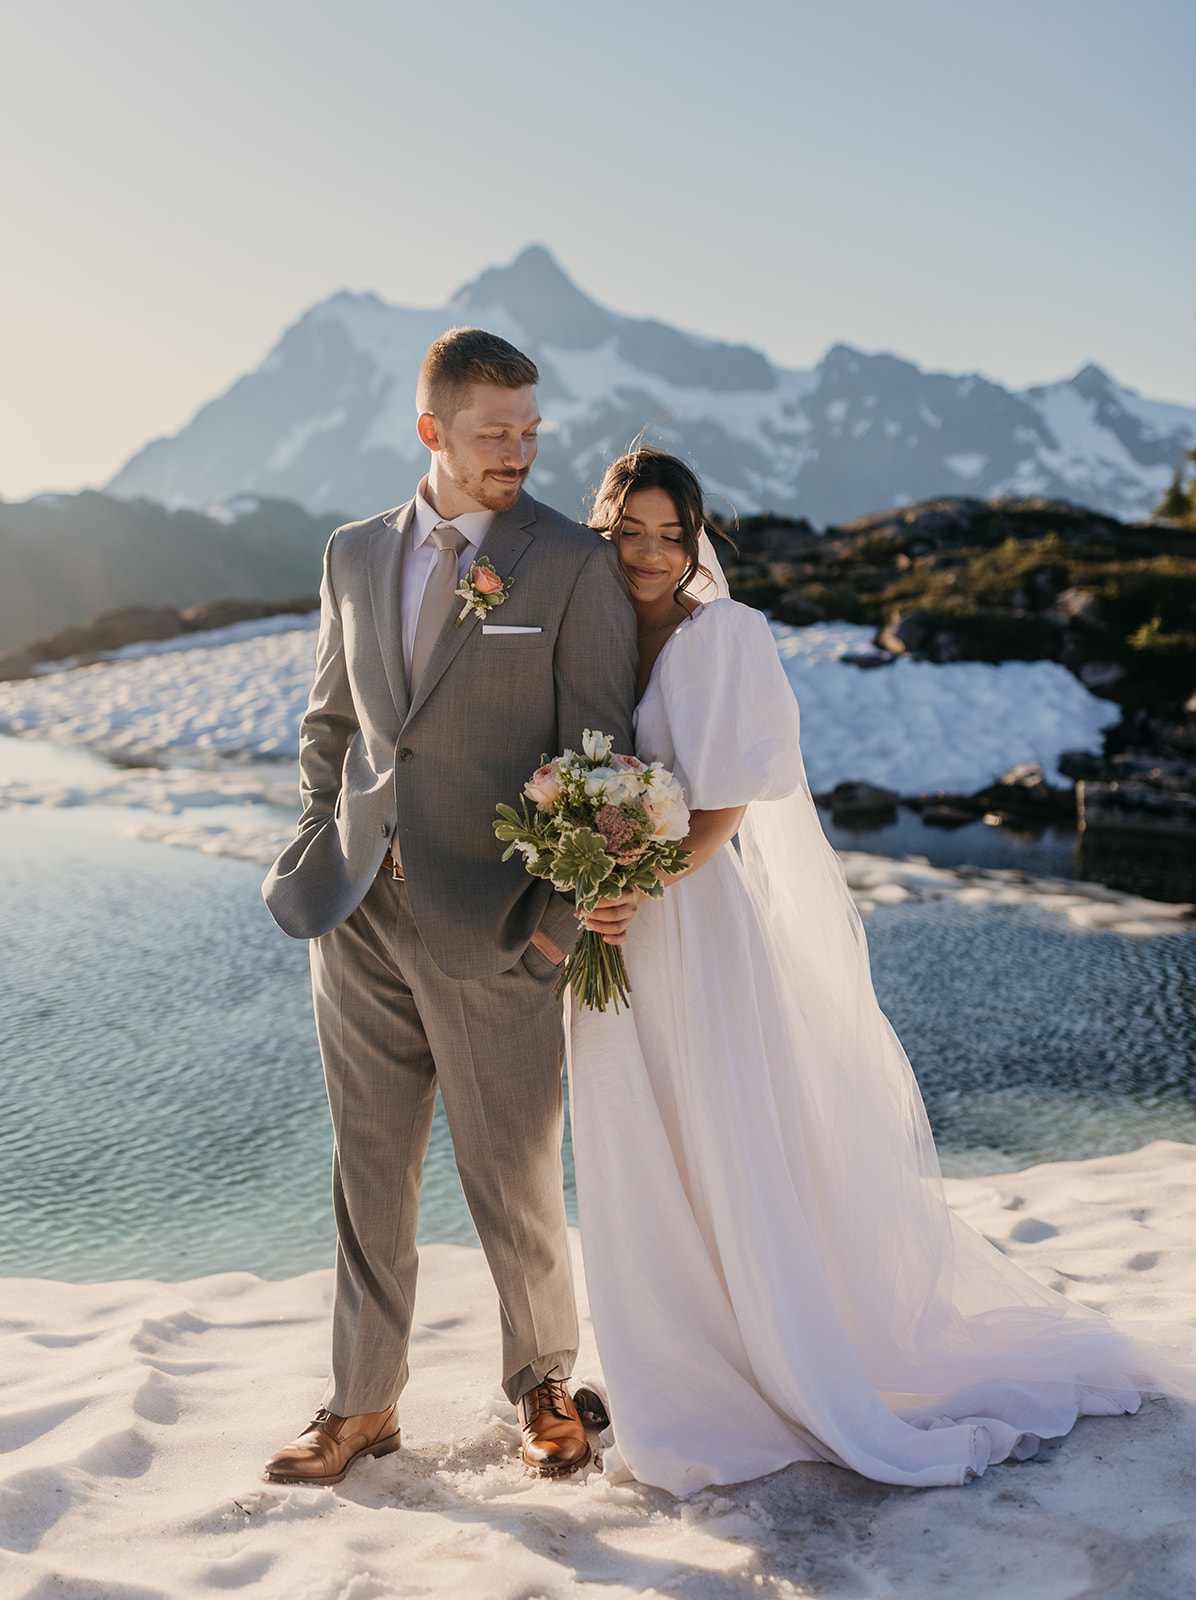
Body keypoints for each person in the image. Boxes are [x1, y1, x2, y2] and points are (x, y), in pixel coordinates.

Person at [566, 446, 1196, 1496]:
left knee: (716, 1133)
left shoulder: (724, 635)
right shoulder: (588, 627)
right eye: (630, 530)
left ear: (698, 537)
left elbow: (724, 804)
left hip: (688, 919)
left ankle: (756, 1360)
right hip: (610, 920)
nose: (649, 552)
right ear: (602, 528)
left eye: (671, 534)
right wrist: (585, 872)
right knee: (635, 1138)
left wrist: (642, 877)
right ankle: (664, 1359)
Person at [260, 328, 638, 1485]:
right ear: (432, 431)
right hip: (360, 911)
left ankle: (546, 1390)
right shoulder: (353, 552)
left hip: (498, 922)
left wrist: (554, 922)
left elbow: (602, 752)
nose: (518, 452)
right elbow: (334, 722)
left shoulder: (570, 562)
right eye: (494, 433)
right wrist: (327, 831)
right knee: (366, 1171)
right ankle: (361, 1403)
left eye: (530, 430)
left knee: (513, 1177)